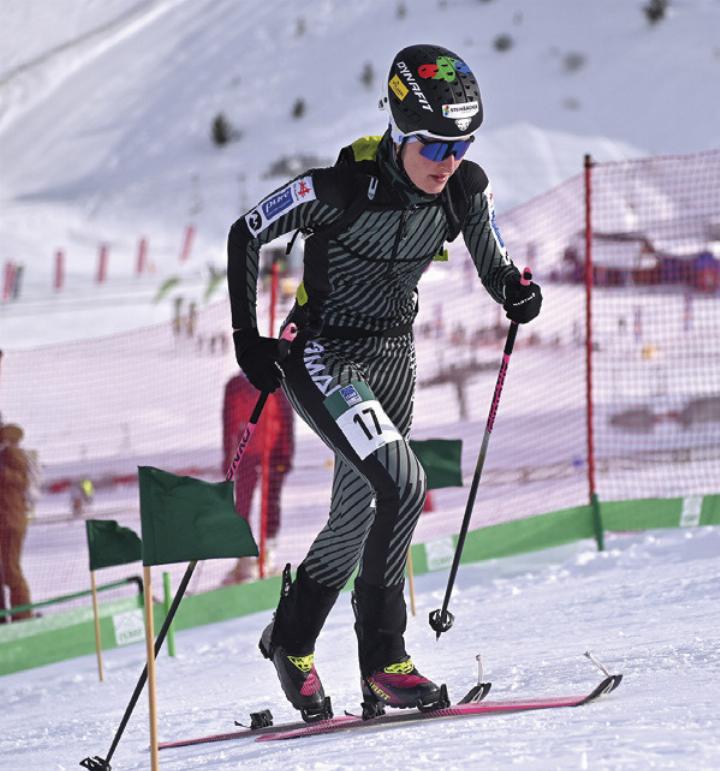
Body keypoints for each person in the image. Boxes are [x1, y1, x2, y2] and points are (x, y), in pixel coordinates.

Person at [227, 44, 542, 719]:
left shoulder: (464, 187)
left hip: (395, 357)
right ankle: (385, 661)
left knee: (355, 514)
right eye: (433, 144)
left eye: (461, 144)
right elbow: (246, 231)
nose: (447, 160)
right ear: (399, 131)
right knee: (403, 482)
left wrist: (515, 290)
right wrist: (246, 339)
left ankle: (291, 637)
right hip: (324, 355)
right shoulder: (340, 188)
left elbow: (495, 263)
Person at [221, 372, 295, 583]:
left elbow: (286, 420)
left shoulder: (277, 383)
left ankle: (267, 553)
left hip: (273, 454)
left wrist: (286, 455)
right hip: (246, 453)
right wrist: (228, 457)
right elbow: (228, 422)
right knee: (242, 505)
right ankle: (245, 556)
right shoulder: (235, 385)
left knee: (271, 504)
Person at [0, 423, 33, 621]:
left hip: (10, 522)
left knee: (11, 571)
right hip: (5, 521)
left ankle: (23, 618)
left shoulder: (11, 454)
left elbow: (22, 480)